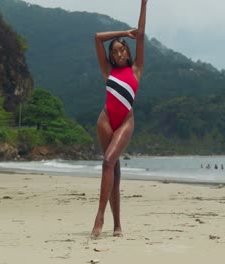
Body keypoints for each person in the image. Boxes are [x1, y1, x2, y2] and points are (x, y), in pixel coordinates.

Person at [91, 0, 148, 238]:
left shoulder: (136, 69)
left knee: (107, 162)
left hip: (125, 121)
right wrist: (123, 32)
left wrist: (144, 3)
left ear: (128, 51)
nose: (118, 52)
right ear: (112, 57)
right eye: (114, 51)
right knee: (113, 169)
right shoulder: (108, 71)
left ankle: (100, 216)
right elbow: (97, 37)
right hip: (105, 120)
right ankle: (117, 225)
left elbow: (142, 33)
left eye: (122, 48)